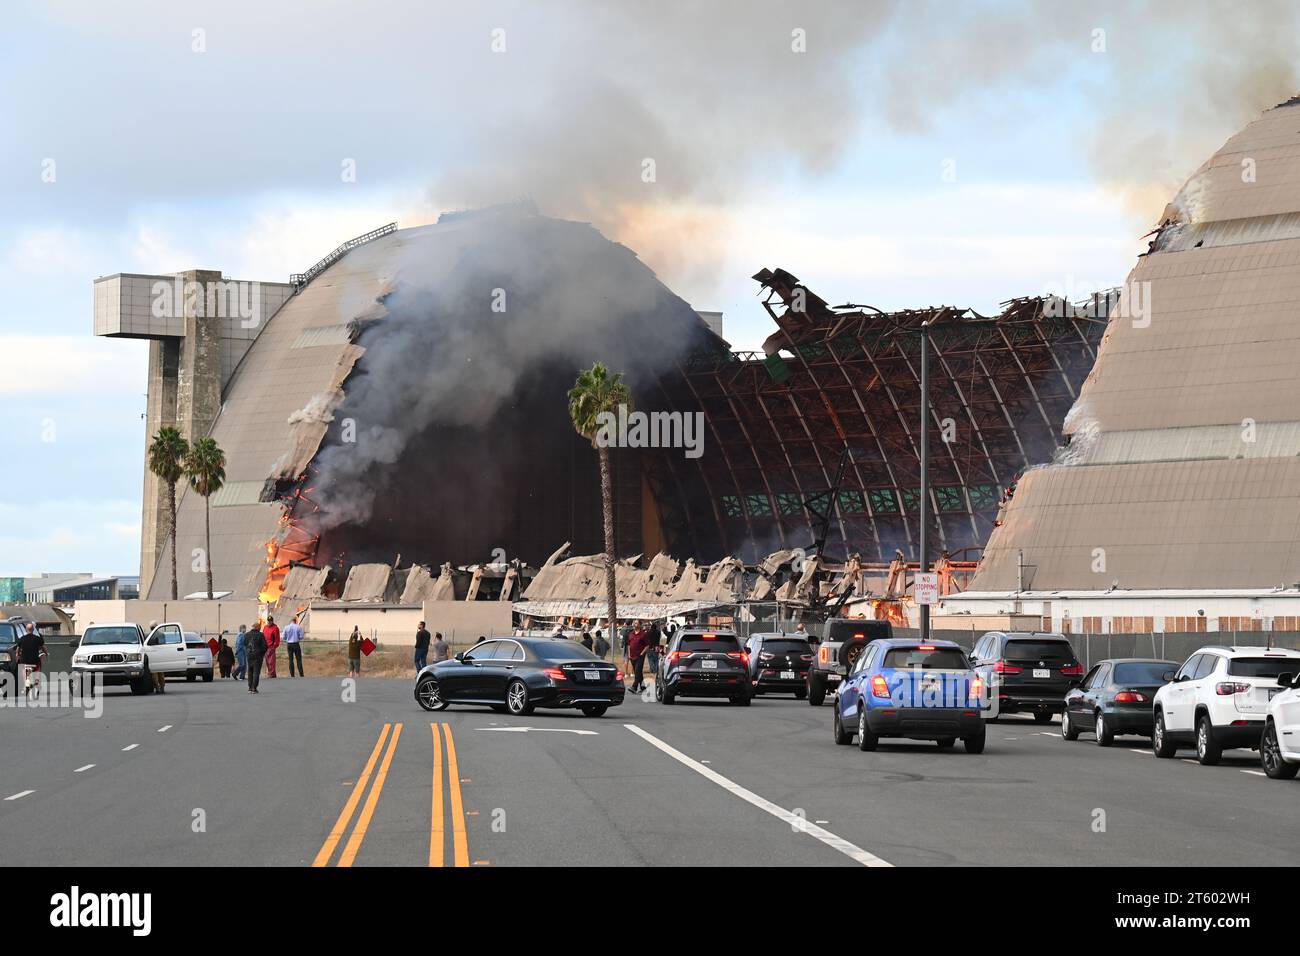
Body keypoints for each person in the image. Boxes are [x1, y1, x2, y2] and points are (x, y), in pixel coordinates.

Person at [16, 623, 46, 699]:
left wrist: (18, 655)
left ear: (26, 630)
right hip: (34, 660)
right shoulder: (37, 638)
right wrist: (46, 653)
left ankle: (25, 682)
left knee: (22, 669)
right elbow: (43, 647)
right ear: (33, 630)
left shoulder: (22, 639)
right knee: (37, 668)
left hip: (24, 660)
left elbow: (17, 650)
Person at [627, 623, 651, 694]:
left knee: (637, 671)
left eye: (636, 623)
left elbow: (647, 645)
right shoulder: (631, 634)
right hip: (632, 656)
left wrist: (642, 653)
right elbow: (628, 645)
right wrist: (629, 654)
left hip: (640, 656)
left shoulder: (643, 634)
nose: (634, 625)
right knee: (638, 672)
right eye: (634, 623)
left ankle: (634, 687)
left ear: (640, 625)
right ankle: (643, 687)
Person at [245, 621, 267, 693]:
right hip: (258, 656)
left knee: (250, 671)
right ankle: (254, 687)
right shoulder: (260, 635)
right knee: (256, 672)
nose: (260, 628)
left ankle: (250, 687)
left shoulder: (246, 635)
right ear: (257, 627)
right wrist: (262, 653)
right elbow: (265, 646)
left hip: (249, 655)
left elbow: (245, 644)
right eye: (260, 627)